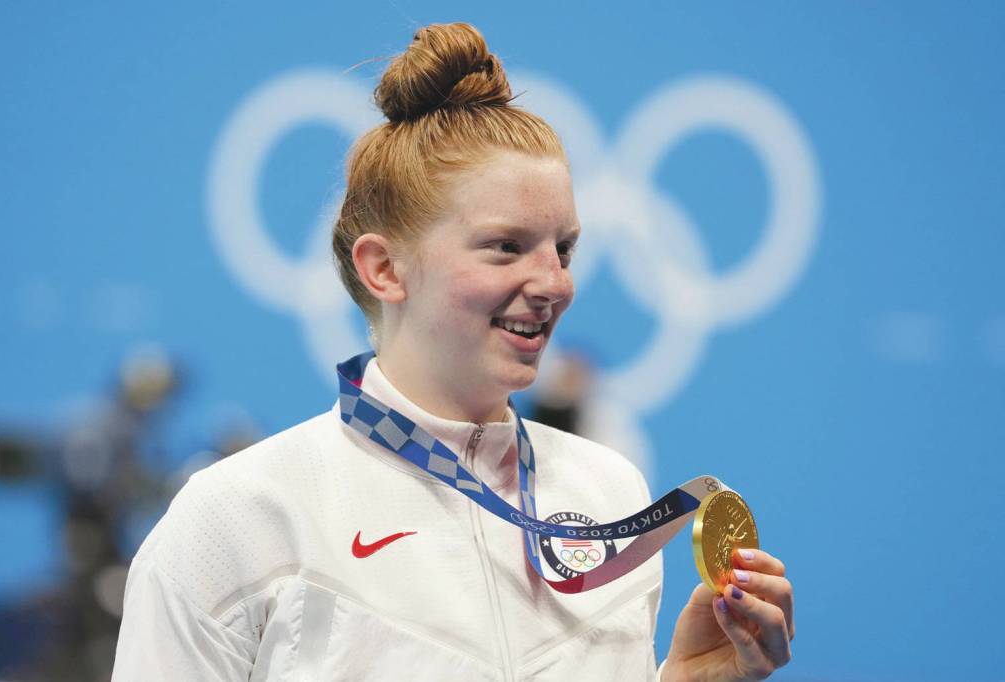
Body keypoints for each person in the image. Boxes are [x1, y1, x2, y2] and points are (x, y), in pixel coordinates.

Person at [112, 23, 794, 681]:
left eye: (564, 248)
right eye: (505, 246)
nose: (554, 283)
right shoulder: (239, 518)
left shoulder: (608, 492)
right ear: (385, 270)